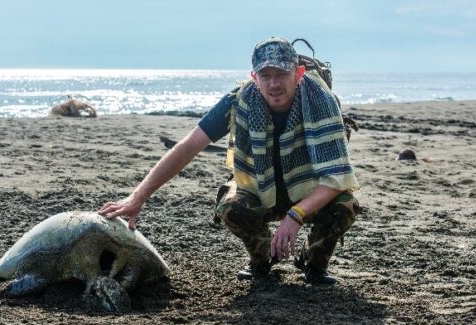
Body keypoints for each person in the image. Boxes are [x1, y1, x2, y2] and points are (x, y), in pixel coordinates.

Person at [99, 37, 360, 285]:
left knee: (345, 205)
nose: (273, 84)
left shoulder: (321, 101)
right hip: (258, 187)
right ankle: (263, 258)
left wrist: (295, 215)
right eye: (265, 75)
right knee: (231, 206)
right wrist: (138, 197)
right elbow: (189, 146)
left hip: (307, 190)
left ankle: (313, 262)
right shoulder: (238, 101)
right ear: (254, 77)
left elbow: (336, 177)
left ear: (298, 73)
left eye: (281, 74)